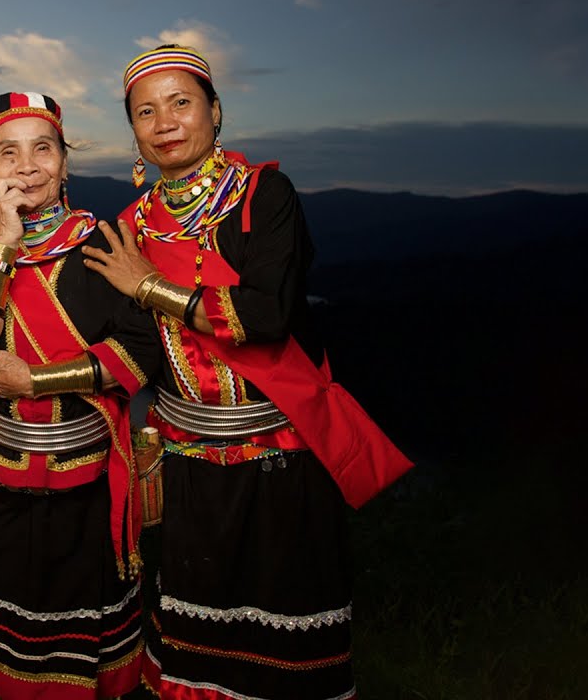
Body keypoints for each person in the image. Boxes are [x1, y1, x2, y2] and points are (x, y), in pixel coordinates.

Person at [80, 44, 413, 700]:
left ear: (216, 111)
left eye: (181, 103)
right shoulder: (131, 226)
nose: (164, 122)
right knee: (197, 640)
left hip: (280, 461)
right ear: (134, 132)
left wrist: (149, 285)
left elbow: (267, 315)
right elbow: (135, 345)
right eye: (145, 112)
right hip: (187, 465)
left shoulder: (265, 194)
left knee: (287, 639)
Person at [0, 92, 161, 700]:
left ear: (65, 161)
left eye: (43, 149)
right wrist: (4, 245)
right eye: (8, 153)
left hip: (89, 489)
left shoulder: (105, 248)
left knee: (85, 653)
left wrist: (35, 381)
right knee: (0, 656)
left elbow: (140, 354)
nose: (27, 166)